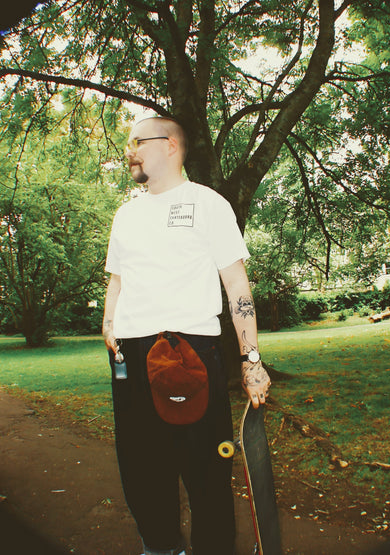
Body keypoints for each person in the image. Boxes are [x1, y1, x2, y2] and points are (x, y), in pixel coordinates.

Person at [102, 116, 271, 555]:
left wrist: (251, 360)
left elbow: (236, 284)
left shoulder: (208, 203)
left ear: (171, 145)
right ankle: (160, 548)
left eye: (138, 141)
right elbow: (117, 280)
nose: (130, 149)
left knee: (206, 474)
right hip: (131, 357)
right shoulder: (126, 214)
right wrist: (109, 326)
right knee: (141, 471)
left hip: (190, 352)